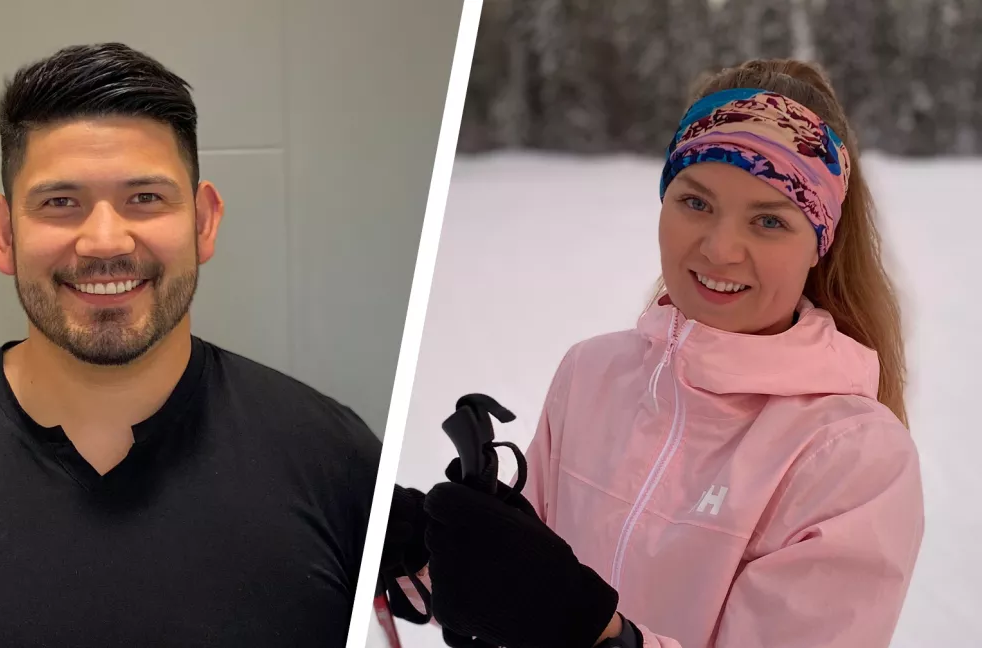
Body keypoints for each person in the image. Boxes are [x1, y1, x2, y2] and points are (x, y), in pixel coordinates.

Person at [0, 43, 381, 647]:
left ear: (203, 222)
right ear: (3, 233)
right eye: (59, 203)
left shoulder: (335, 464)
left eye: (144, 198)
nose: (103, 240)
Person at [380, 59, 923, 648]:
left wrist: (594, 634)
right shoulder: (591, 374)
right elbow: (518, 588)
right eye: (696, 202)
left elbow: (553, 608)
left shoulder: (851, 456)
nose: (719, 248)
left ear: (819, 242)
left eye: (768, 220)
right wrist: (431, 557)